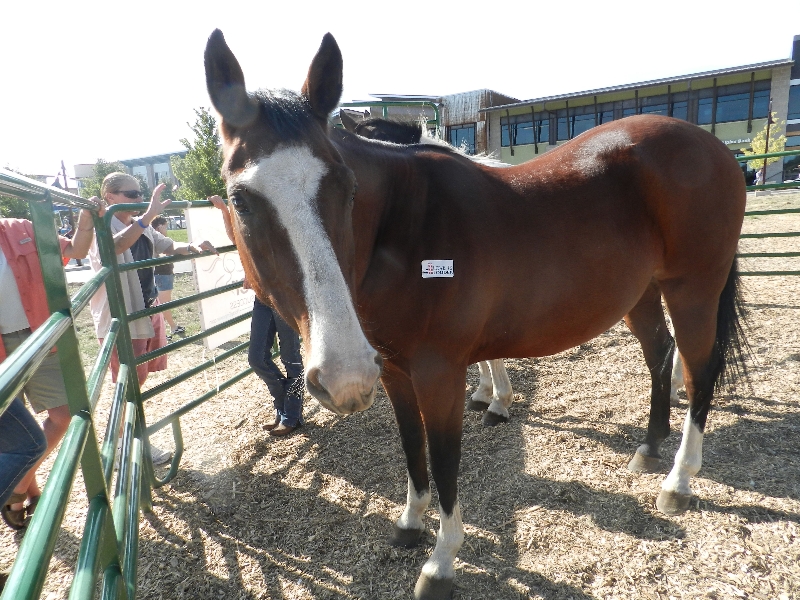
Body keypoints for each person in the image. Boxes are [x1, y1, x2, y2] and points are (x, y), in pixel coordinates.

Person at [0, 203, 99, 529]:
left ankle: (16, 486)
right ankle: (30, 492)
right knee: (15, 432)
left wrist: (84, 223)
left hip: (40, 335)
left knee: (65, 413)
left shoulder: (22, 229)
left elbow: (76, 249)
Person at [87, 173, 216, 387]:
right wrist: (148, 217)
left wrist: (193, 245)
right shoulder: (100, 227)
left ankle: (133, 418)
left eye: (140, 194)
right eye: (132, 194)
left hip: (147, 304)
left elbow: (169, 245)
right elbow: (113, 248)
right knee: (129, 379)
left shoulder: (141, 225)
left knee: (142, 372)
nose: (140, 199)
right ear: (110, 197)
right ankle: (125, 420)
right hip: (121, 311)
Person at [208, 195, 305, 437]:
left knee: (290, 356)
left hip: (286, 296)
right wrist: (224, 209)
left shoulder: (285, 222)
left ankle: (291, 415)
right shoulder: (257, 224)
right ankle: (284, 405)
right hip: (263, 297)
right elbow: (236, 238)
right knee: (256, 358)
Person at [150, 216, 185, 340]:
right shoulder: (156, 239)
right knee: (163, 305)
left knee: (162, 304)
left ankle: (169, 328)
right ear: (159, 226)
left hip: (164, 274)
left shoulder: (157, 238)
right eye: (165, 227)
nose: (166, 229)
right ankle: (167, 330)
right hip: (162, 274)